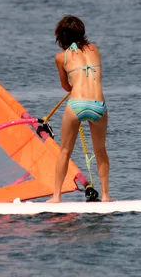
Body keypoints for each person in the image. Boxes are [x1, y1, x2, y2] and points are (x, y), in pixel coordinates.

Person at [47, 15, 113, 203]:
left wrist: (74, 87)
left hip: (76, 104)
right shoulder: (94, 49)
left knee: (65, 151)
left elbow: (66, 87)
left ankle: (56, 197)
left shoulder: (61, 57)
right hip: (98, 105)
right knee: (100, 149)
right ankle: (106, 196)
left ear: (61, 37)